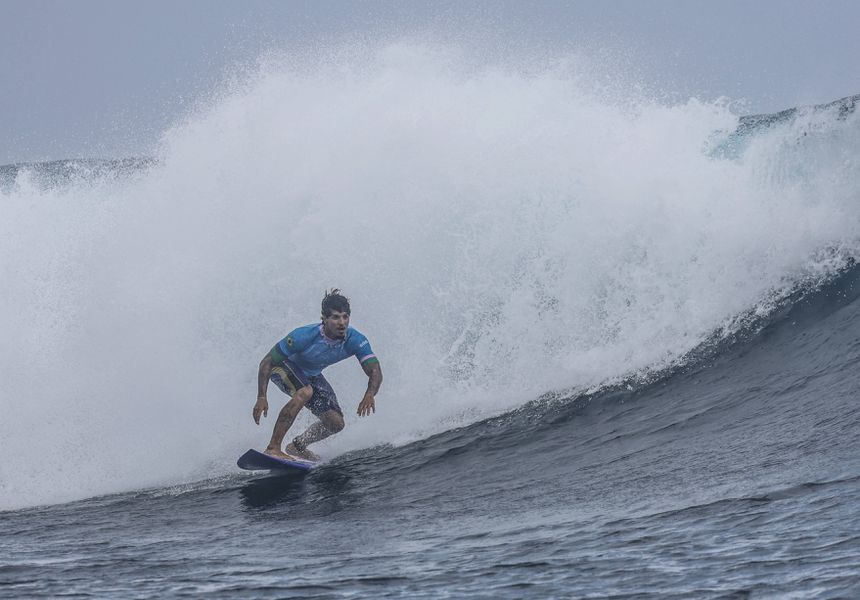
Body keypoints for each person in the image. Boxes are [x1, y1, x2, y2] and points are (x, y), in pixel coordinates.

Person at [253, 289, 382, 461]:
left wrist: (370, 394)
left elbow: (374, 369)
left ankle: (297, 446)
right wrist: (262, 396)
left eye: (345, 317)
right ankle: (273, 448)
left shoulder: (355, 340)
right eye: (335, 317)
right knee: (305, 392)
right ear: (324, 319)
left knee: (336, 423)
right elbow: (267, 362)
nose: (341, 322)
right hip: (281, 366)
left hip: (312, 375)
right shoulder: (303, 336)